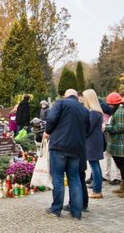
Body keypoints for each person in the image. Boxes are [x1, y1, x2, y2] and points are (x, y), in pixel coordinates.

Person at [43, 89, 89, 219]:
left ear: (66, 95)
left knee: (57, 177)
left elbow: (51, 118)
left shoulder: (61, 103)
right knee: (74, 178)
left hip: (59, 146)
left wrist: (47, 131)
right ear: (76, 96)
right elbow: (87, 129)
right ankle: (76, 212)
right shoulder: (84, 109)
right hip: (76, 149)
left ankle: (56, 209)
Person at [104, 92, 124, 198]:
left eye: (110, 104)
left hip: (120, 143)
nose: (109, 106)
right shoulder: (120, 111)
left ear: (114, 104)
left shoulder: (120, 112)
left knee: (123, 166)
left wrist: (106, 128)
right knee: (122, 166)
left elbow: (120, 128)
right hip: (120, 143)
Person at [82, 89, 105, 200]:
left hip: (92, 143)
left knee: (94, 166)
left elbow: (88, 129)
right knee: (95, 165)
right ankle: (97, 188)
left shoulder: (93, 113)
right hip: (95, 142)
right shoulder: (97, 112)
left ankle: (97, 190)